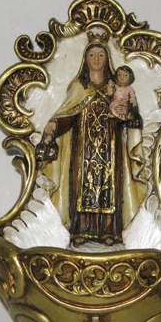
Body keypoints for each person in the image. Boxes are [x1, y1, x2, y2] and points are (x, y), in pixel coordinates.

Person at [37, 32, 146, 246]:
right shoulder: (79, 87)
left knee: (110, 185)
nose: (96, 59)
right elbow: (68, 115)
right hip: (83, 146)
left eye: (101, 55)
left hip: (110, 146)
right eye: (92, 55)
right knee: (81, 184)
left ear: (108, 58)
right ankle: (81, 229)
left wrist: (128, 113)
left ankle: (109, 231)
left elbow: (132, 117)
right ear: (85, 59)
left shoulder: (116, 88)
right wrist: (54, 125)